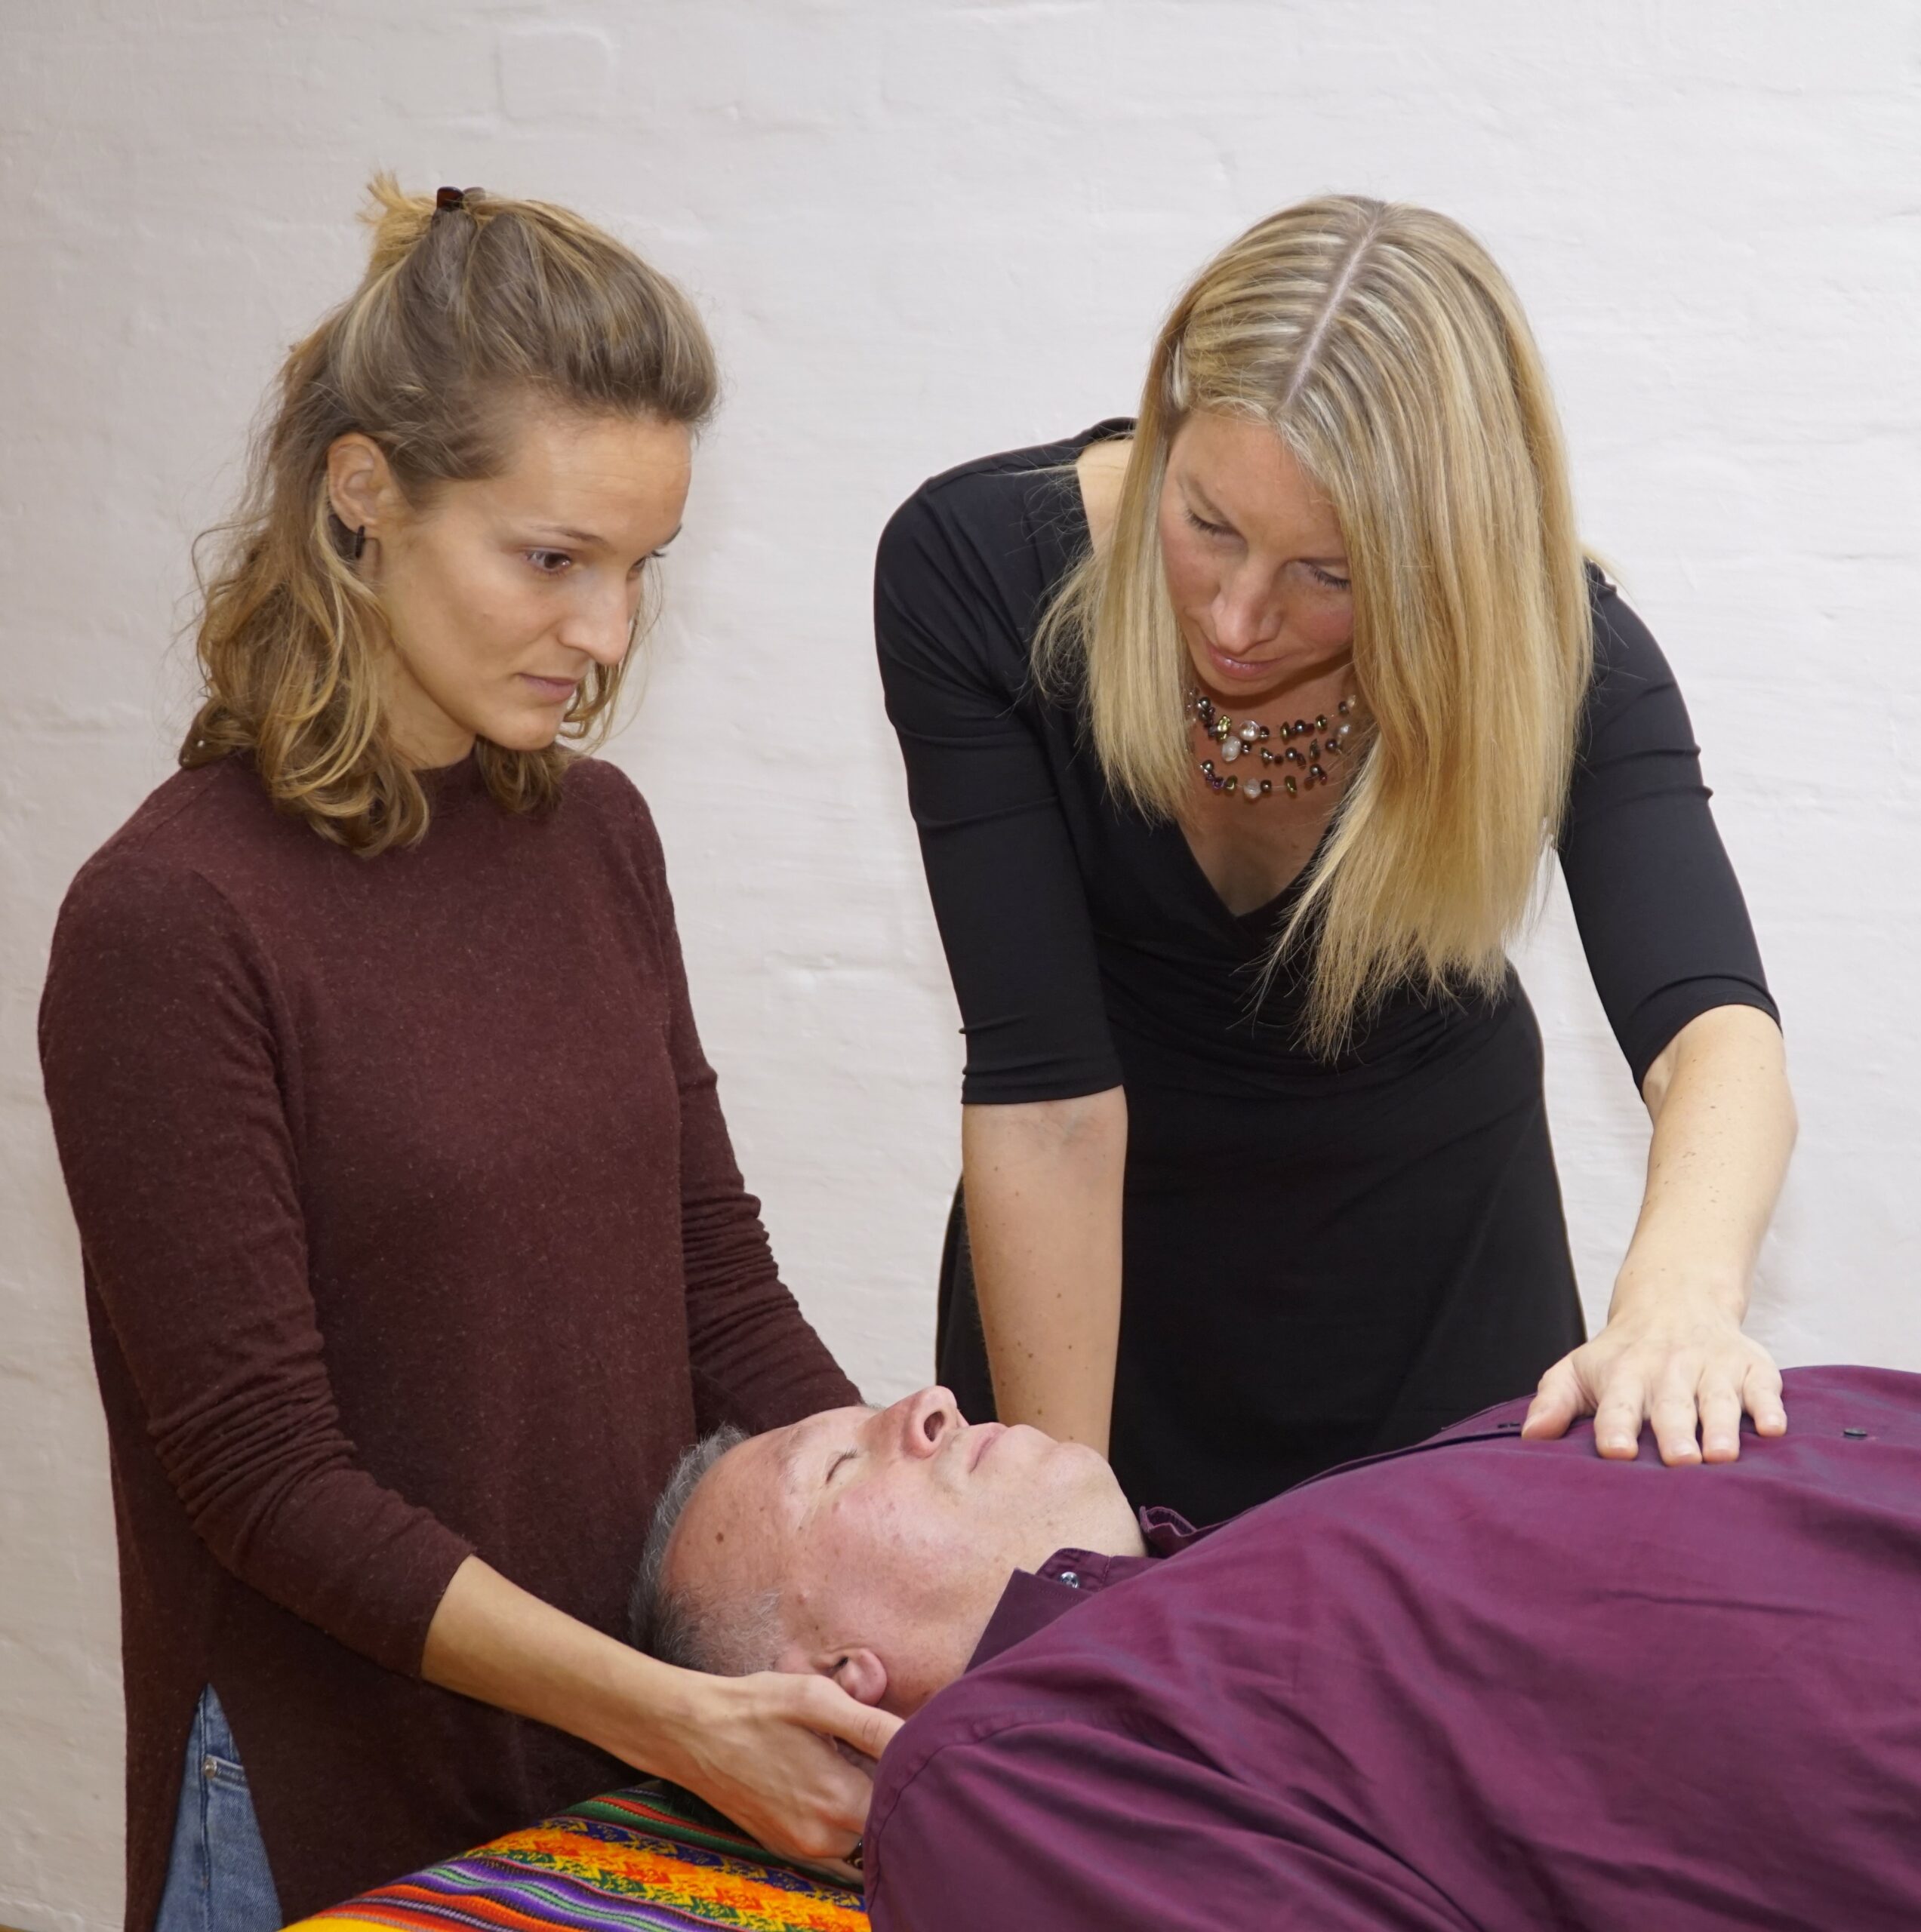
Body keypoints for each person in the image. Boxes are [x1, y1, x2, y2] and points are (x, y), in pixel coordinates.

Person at [38, 179, 897, 1932]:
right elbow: (268, 1481)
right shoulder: (170, 918)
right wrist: (672, 1709)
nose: (605, 636)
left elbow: (712, 1282)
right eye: (553, 558)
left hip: (612, 1756)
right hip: (325, 1794)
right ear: (365, 497)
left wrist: (920, 1511)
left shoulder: (598, 838)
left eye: (639, 567)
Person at [876, 195, 1796, 1526]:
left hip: (1434, 1277)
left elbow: (1711, 1031)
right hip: (1092, 1273)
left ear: (1446, 563)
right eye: (1205, 525)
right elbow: (1045, 1096)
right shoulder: (978, 570)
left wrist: (1674, 1301)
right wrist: (1057, 1529)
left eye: (1329, 573)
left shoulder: (1556, 655)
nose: (1239, 620)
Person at [636, 1377, 1921, 1930]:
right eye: (842, 1462)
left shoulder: (1210, 1597)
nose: (928, 1401)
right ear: (836, 1681)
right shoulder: (989, 1785)